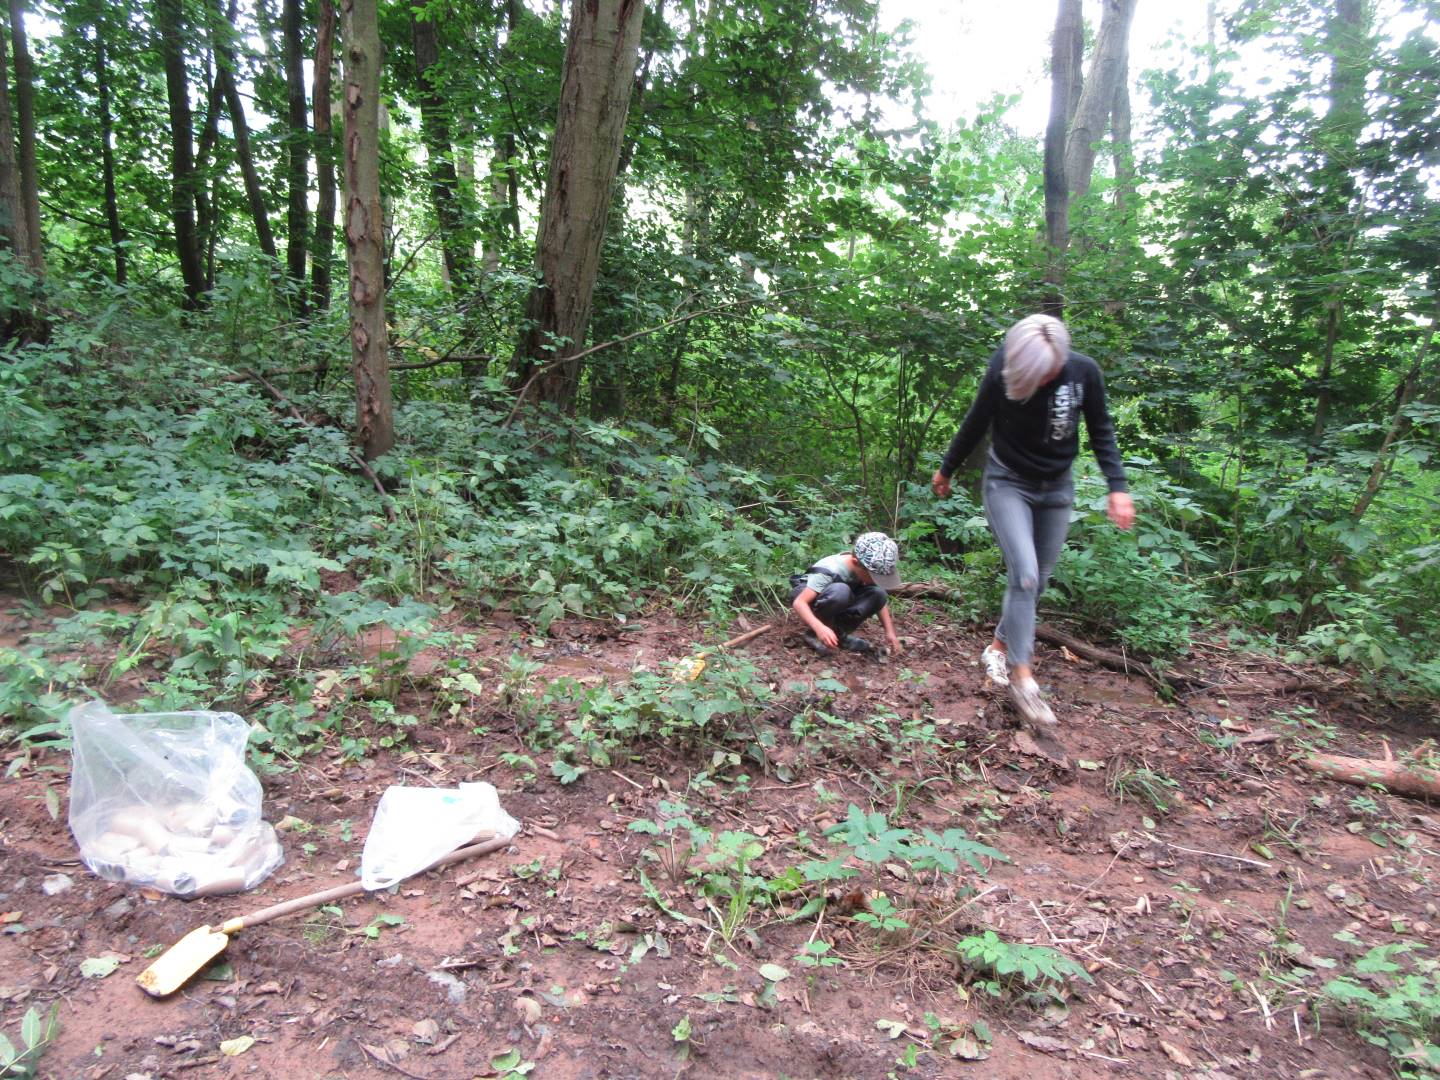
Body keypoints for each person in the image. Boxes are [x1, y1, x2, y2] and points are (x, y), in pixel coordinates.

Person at [931, 314, 1135, 733]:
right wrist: (947, 468)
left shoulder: (1084, 372)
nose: (1041, 382)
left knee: (1037, 582)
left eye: (1047, 374)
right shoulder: (1003, 367)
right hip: (1007, 483)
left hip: (1057, 488)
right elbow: (976, 420)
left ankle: (997, 647)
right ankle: (1023, 679)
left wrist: (1118, 486)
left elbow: (1102, 429)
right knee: (1023, 576)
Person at [790, 531, 904, 657]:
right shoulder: (831, 570)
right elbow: (799, 602)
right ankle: (814, 634)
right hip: (811, 598)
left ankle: (838, 634)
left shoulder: (862, 567)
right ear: (855, 563)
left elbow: (880, 601)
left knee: (878, 593)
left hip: (839, 598)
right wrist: (819, 627)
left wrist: (889, 632)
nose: (877, 581)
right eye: (875, 577)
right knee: (840, 591)